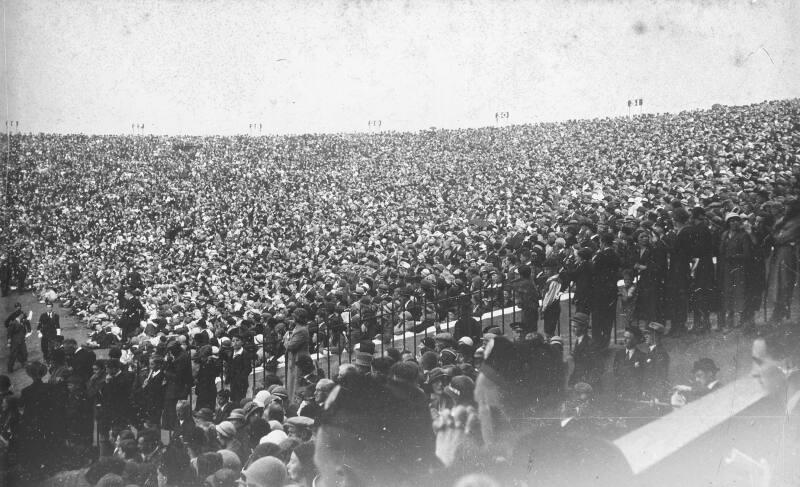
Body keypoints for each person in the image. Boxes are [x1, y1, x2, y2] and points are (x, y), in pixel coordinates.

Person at [718, 213, 752, 329]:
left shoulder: (743, 236)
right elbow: (721, 251)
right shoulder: (725, 235)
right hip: (727, 268)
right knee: (728, 292)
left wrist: (734, 256)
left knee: (739, 292)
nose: (734, 223)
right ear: (728, 223)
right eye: (731, 221)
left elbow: (747, 254)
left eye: (736, 221)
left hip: (739, 268)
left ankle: (741, 319)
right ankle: (729, 319)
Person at [590, 234, 621, 350]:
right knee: (608, 317)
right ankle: (605, 342)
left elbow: (594, 270)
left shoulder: (600, 255)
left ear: (602, 242)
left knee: (598, 317)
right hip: (611, 289)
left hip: (600, 290)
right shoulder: (616, 255)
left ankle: (597, 342)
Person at [612, 326, 646, 403]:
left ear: (635, 340)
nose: (624, 340)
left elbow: (642, 377)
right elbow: (616, 372)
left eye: (628, 338)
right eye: (624, 337)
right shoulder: (619, 354)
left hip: (634, 395)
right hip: (620, 394)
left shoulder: (642, 356)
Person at [567, 313, 599, 390]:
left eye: (575, 327)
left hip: (586, 384)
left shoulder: (590, 344)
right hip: (577, 381)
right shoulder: (578, 341)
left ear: (583, 328)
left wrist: (588, 383)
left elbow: (598, 366)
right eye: (572, 327)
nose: (573, 329)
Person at [642, 322, 670, 400]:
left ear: (656, 336)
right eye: (645, 334)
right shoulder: (650, 351)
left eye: (649, 334)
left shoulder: (660, 353)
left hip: (655, 395)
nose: (645, 336)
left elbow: (661, 377)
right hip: (648, 392)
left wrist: (656, 396)